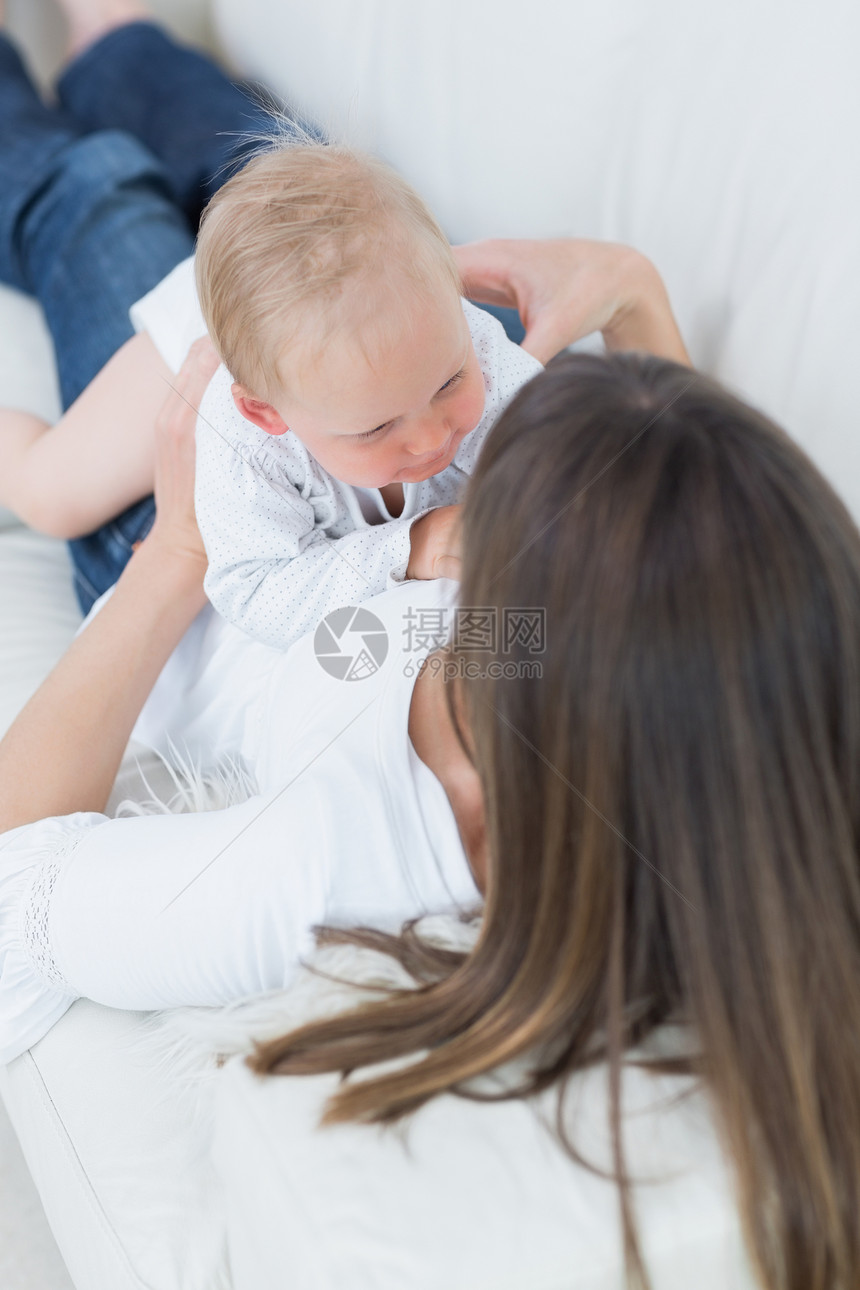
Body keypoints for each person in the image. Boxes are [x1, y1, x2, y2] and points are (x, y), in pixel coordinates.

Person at [4, 320, 860, 1287]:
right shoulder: (575, 661)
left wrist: (175, 548)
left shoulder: (324, 853)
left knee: (85, 199)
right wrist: (628, 287)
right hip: (350, 493)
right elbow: (684, 578)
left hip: (191, 583)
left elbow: (14, 878)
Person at [0, 0, 689, 616]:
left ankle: (114, 39)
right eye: (376, 428)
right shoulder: (251, 451)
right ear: (265, 413)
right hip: (200, 350)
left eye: (451, 382)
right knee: (54, 491)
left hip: (356, 310)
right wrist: (408, 545)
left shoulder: (485, 366)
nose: (428, 440)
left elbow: (622, 494)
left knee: (279, 167)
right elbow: (257, 589)